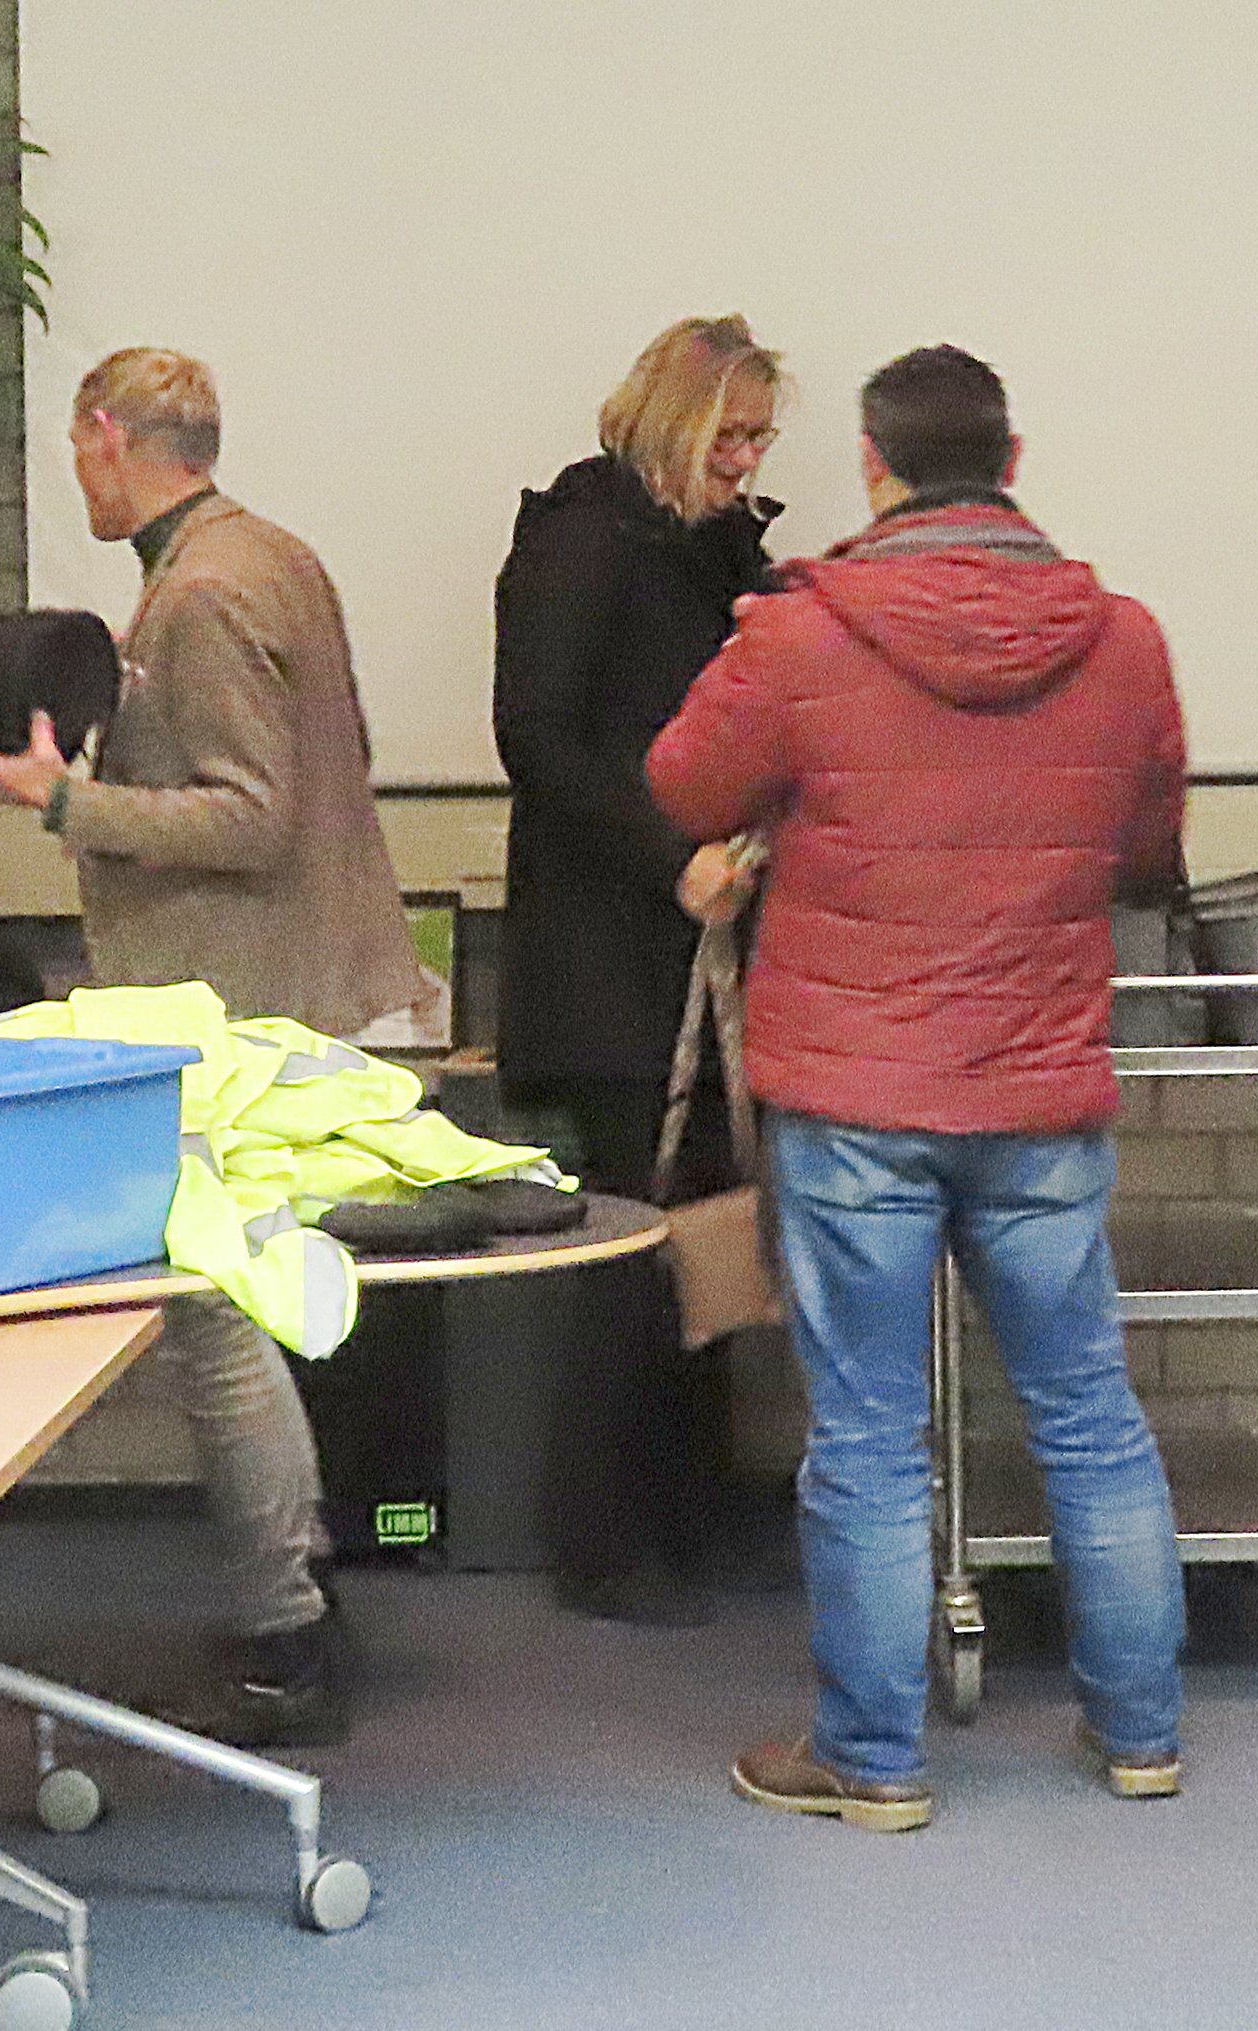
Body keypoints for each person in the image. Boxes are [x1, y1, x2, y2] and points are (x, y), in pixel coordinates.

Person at [647, 344, 1188, 1829]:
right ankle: (1139, 1731)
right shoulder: (1123, 640)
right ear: (1010, 465)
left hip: (856, 1096)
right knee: (1086, 1411)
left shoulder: (798, 633)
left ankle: (872, 1760)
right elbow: (1147, 845)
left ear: (873, 467)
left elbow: (683, 782)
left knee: (869, 1436)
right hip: (1039, 1087)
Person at [0, 347, 423, 1743]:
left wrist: (62, 803)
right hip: (296, 993)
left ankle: (284, 1636)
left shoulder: (205, 592)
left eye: (75, 448)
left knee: (217, 1323)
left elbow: (251, 815)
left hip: (241, 1010)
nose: (76, 473)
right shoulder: (270, 555)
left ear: (106, 435)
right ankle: (301, 1603)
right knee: (260, 1315)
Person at [491, 314, 783, 1623]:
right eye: (730, 435)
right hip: (610, 949)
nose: (747, 459)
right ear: (676, 420)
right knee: (630, 1243)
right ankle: (603, 1540)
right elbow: (537, 737)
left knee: (705, 1228)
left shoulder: (713, 547)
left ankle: (686, 1512)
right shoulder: (581, 539)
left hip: (695, 942)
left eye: (759, 439)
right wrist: (671, 859)